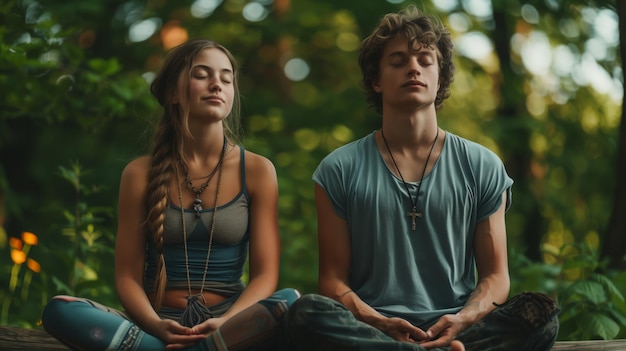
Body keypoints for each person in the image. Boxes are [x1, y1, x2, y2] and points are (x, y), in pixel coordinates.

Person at [284, 5, 559, 351]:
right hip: (374, 329)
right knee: (305, 313)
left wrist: (464, 319)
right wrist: (378, 322)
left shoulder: (483, 165)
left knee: (541, 316)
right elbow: (333, 281)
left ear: (440, 76)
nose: (413, 67)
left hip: (459, 328)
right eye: (397, 61)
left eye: (424, 60)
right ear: (376, 80)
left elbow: (494, 277)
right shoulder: (339, 169)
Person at [42, 39, 299, 351]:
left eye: (226, 78)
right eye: (202, 75)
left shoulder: (258, 170)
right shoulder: (139, 174)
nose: (217, 84)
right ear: (172, 93)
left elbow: (266, 276)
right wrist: (156, 326)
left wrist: (227, 322)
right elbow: (127, 277)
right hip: (157, 324)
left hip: (230, 324)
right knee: (60, 309)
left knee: (290, 301)